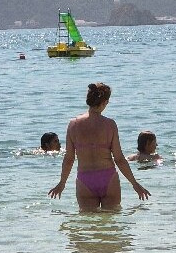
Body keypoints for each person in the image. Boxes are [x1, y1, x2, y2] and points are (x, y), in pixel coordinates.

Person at [48, 82, 150, 211]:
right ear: (105, 102)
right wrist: (134, 184)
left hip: (85, 179)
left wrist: (62, 183)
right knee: (111, 225)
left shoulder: (73, 125)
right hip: (108, 178)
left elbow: (69, 158)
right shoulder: (110, 125)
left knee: (88, 225)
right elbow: (119, 158)